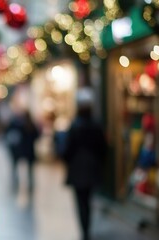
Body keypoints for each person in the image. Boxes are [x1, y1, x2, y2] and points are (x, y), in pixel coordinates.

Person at [62, 88, 106, 240]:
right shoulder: (96, 125)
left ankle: (85, 229)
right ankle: (86, 229)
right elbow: (102, 148)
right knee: (87, 200)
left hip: (77, 169)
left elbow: (67, 149)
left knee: (81, 201)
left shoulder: (75, 126)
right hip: (91, 168)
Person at [5, 109, 40, 194]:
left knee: (16, 166)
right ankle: (30, 183)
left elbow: (15, 137)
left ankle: (16, 182)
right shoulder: (31, 125)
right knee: (30, 169)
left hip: (21, 150)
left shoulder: (21, 125)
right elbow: (37, 136)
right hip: (30, 150)